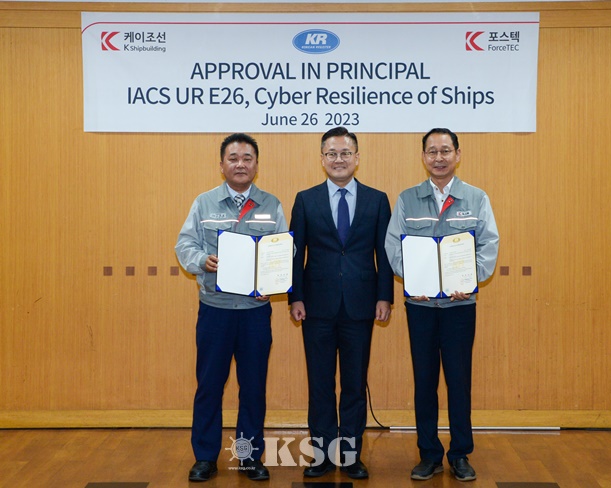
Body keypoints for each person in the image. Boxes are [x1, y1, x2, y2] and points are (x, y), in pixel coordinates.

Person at [384, 128, 499, 482]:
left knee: (459, 381)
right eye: (432, 151)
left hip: (459, 307)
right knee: (424, 381)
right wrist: (413, 281)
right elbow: (393, 246)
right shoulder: (408, 199)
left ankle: (460, 453)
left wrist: (470, 279)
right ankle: (429, 454)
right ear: (423, 157)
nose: (439, 157)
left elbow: (488, 245)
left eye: (445, 150)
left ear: (457, 154)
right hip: (420, 307)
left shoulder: (476, 198)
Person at [175, 133, 288, 482]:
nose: (241, 164)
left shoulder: (271, 204)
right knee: (210, 386)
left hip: (254, 313)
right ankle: (205, 457)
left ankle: (249, 457)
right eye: (233, 158)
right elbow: (184, 244)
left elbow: (285, 251)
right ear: (221, 165)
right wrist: (201, 260)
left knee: (252, 388)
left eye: (247, 158)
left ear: (256, 164)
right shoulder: (204, 203)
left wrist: (273, 282)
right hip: (216, 310)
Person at [289, 127, 394, 480]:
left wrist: (384, 296)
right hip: (315, 307)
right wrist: (295, 296)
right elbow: (295, 253)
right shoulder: (306, 200)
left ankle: (349, 456)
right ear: (322, 159)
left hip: (361, 306)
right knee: (320, 385)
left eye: (345, 153)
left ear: (357, 158)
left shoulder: (377, 200)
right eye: (332, 154)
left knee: (353, 385)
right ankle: (321, 455)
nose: (339, 159)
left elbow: (384, 253)